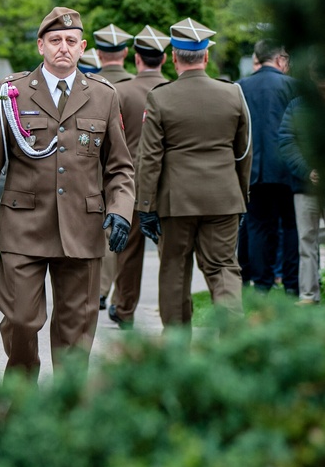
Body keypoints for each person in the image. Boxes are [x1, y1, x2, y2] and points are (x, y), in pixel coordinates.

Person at [0, 7, 134, 378]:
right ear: (41, 45)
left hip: (82, 229)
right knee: (21, 320)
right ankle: (22, 405)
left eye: (71, 41)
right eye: (55, 40)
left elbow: (119, 166)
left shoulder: (104, 96)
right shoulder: (13, 92)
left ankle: (67, 416)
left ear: (82, 47)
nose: (63, 48)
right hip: (24, 226)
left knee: (77, 329)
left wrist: (121, 209)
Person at [136, 18, 252, 341]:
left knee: (174, 271)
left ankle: (177, 348)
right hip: (224, 198)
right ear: (206, 57)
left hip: (177, 203)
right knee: (224, 270)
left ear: (174, 56)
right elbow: (243, 153)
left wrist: (145, 205)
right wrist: (241, 196)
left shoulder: (160, 98)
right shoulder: (233, 94)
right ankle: (233, 344)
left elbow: (149, 159)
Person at [106, 25, 170, 328]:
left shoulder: (122, 91)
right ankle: (172, 310)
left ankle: (125, 307)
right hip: (167, 184)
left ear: (136, 58)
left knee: (127, 251)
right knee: (170, 251)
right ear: (165, 58)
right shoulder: (172, 89)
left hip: (130, 182)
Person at [237, 40, 298, 296]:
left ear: (258, 58)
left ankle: (261, 286)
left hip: (254, 168)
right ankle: (293, 285)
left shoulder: (241, 87)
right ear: (280, 59)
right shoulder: (292, 86)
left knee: (257, 227)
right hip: (288, 167)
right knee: (291, 226)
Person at [93, 23, 135, 311]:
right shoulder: (136, 88)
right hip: (129, 175)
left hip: (93, 174)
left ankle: (99, 290)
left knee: (103, 235)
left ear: (97, 53)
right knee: (128, 244)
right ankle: (123, 299)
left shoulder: (90, 86)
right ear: (125, 52)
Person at [278, 68, 325, 305]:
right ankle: (309, 294)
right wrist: (308, 170)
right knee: (306, 241)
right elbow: (286, 141)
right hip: (305, 185)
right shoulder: (297, 105)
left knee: (307, 241)